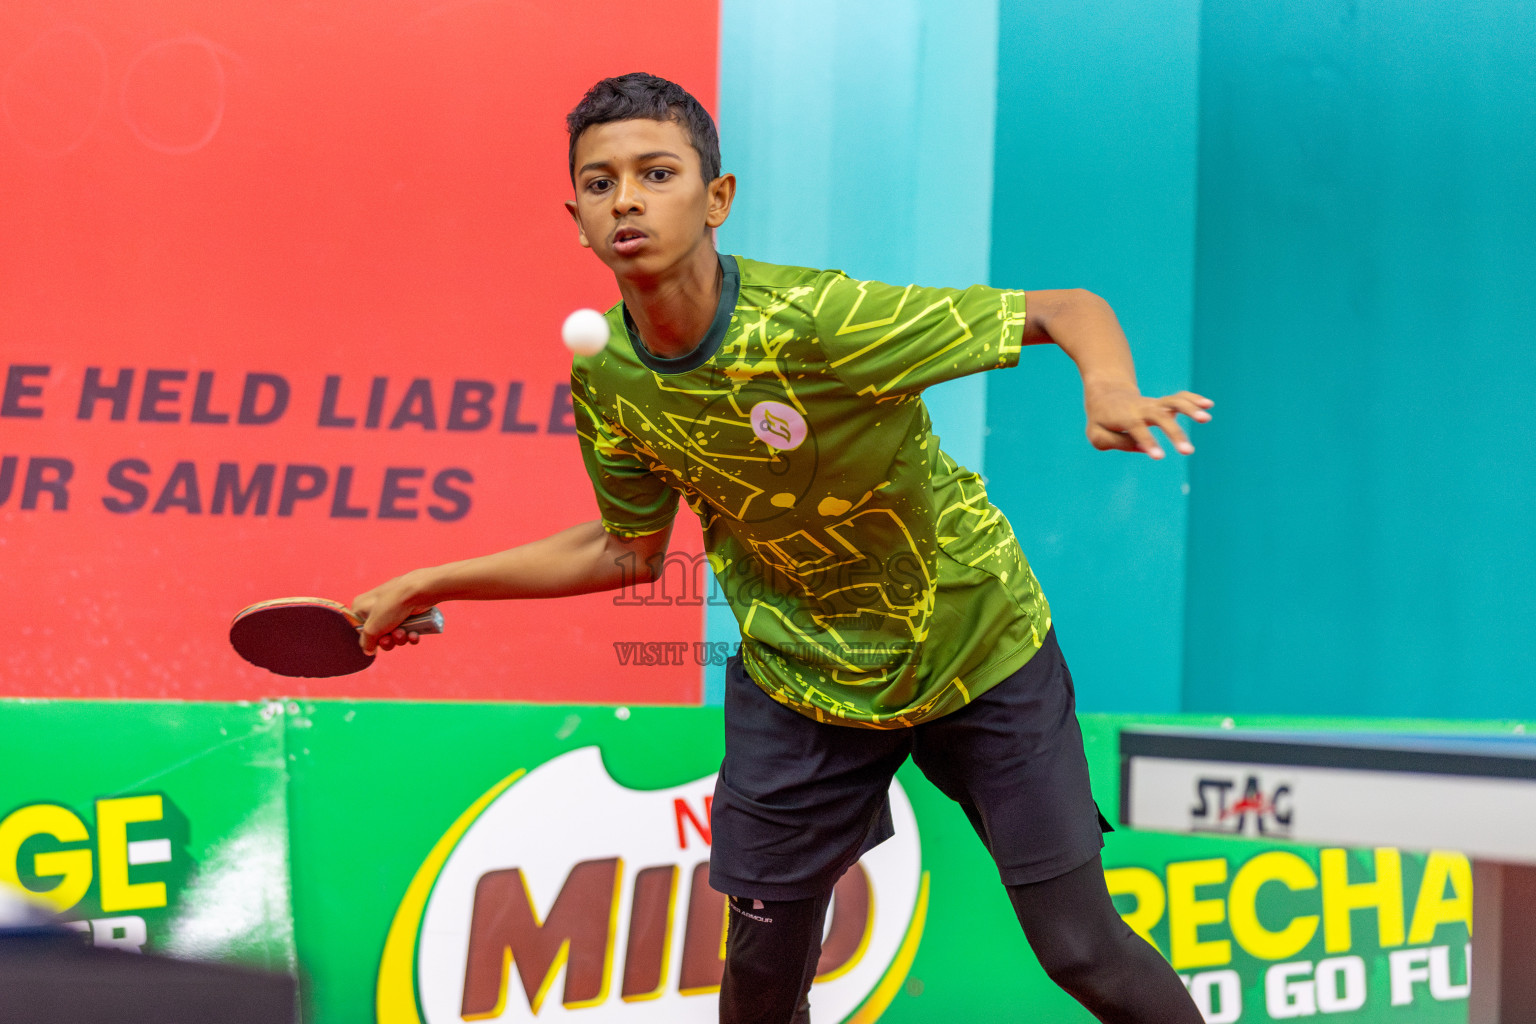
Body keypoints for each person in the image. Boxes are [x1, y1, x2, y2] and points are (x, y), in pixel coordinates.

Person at [354, 72, 1212, 1024]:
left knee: (1080, 949)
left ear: (716, 197)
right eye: (600, 185)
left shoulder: (819, 320)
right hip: (800, 673)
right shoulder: (607, 371)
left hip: (975, 645)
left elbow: (1063, 308)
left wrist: (1110, 389)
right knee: (760, 988)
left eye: (657, 173)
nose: (627, 199)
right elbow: (628, 548)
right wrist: (433, 580)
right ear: (577, 217)